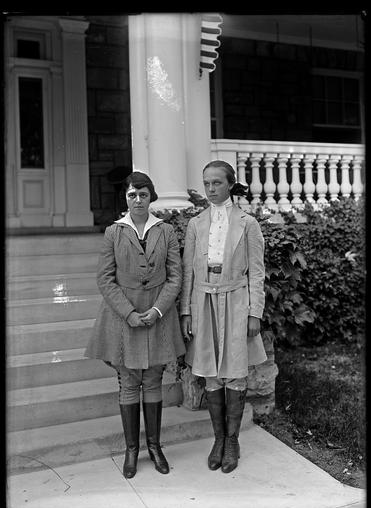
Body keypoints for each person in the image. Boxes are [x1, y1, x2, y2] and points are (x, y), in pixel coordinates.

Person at [85, 171, 185, 479]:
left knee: (153, 379)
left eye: (143, 194)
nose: (137, 200)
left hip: (158, 313)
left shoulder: (165, 230)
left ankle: (154, 446)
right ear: (125, 198)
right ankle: (132, 450)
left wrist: (157, 310)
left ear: (151, 196)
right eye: (132, 195)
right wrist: (128, 313)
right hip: (122, 316)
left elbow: (175, 276)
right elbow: (105, 278)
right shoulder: (114, 232)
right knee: (129, 381)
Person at [180, 160, 267, 474]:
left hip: (235, 298)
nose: (211, 188)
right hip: (204, 299)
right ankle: (218, 438)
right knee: (211, 372)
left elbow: (257, 273)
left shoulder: (247, 223)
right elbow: (188, 271)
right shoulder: (196, 223)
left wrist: (254, 311)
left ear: (230, 184)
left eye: (217, 183)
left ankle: (233, 440)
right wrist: (186, 311)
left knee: (234, 369)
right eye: (207, 183)